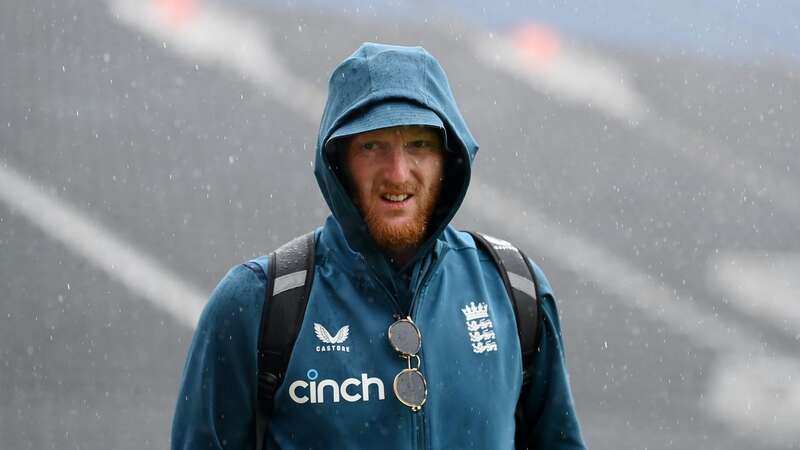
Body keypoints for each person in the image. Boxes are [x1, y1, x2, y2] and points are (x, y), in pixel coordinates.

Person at [171, 42, 587, 449]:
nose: (397, 172)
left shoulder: (513, 291)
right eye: (372, 146)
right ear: (339, 162)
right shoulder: (258, 305)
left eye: (418, 145)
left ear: (448, 159)